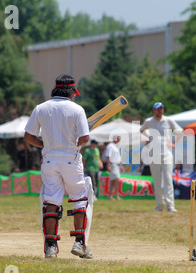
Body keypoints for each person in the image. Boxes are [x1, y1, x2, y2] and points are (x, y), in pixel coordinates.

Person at [24, 74, 92, 259]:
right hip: (71, 159)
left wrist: (45, 145)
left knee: (52, 201)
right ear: (71, 91)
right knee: (79, 199)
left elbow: (29, 137)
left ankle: (51, 247)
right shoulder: (77, 109)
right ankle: (79, 243)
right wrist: (75, 143)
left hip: (50, 160)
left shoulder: (41, 108)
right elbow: (84, 138)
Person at [140, 102, 183, 212]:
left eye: (161, 109)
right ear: (153, 110)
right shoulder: (149, 121)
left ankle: (170, 205)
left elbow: (180, 132)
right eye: (157, 109)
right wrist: (148, 138)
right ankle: (159, 205)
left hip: (167, 154)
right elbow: (141, 130)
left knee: (168, 179)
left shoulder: (168, 120)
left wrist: (174, 144)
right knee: (157, 181)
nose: (160, 111)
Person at [105, 136, 123, 200]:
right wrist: (108, 165)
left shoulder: (115, 146)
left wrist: (120, 166)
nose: (119, 140)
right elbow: (108, 156)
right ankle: (116, 195)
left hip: (116, 165)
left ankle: (110, 196)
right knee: (117, 180)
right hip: (113, 165)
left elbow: (117, 157)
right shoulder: (110, 146)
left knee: (112, 181)